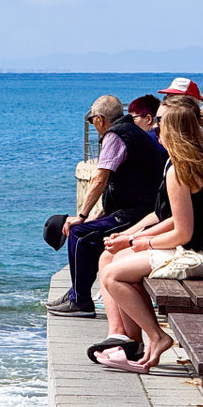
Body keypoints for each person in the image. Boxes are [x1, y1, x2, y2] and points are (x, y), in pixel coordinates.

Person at [95, 99, 203, 371]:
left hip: (192, 253)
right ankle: (131, 341)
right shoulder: (188, 163)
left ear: (171, 130)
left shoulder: (178, 170)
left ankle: (155, 337)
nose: (155, 128)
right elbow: (172, 217)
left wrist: (142, 242)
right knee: (114, 258)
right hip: (193, 247)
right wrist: (132, 237)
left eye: (160, 124)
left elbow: (183, 231)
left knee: (113, 274)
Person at [48, 95, 167, 317]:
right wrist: (97, 216)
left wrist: (82, 215)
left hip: (137, 213)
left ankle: (81, 302)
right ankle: (76, 292)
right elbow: (115, 187)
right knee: (90, 232)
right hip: (140, 208)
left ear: (100, 119)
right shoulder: (131, 131)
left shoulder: (115, 136)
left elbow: (100, 179)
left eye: (92, 119)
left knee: (79, 235)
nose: (93, 124)